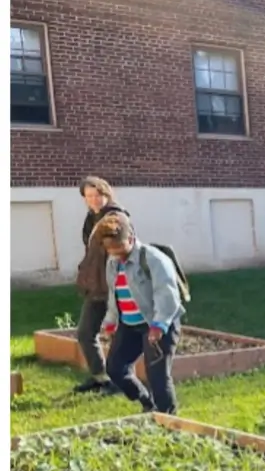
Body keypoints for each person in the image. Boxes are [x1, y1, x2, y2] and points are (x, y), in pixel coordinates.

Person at [97, 212, 184, 414]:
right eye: (110, 249)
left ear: (131, 237)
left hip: (157, 324)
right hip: (129, 325)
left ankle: (169, 421)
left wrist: (159, 325)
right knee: (115, 368)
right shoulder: (112, 262)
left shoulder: (154, 259)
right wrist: (110, 322)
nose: (115, 253)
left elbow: (167, 295)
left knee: (158, 376)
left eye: (119, 247)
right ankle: (146, 401)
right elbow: (114, 294)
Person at [73, 176, 129, 394]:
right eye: (89, 196)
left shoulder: (117, 218)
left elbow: (123, 251)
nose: (94, 200)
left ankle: (115, 380)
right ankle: (100, 377)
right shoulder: (92, 218)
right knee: (86, 333)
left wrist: (115, 283)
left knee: (115, 333)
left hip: (113, 284)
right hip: (96, 284)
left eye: (97, 195)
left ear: (107, 194)